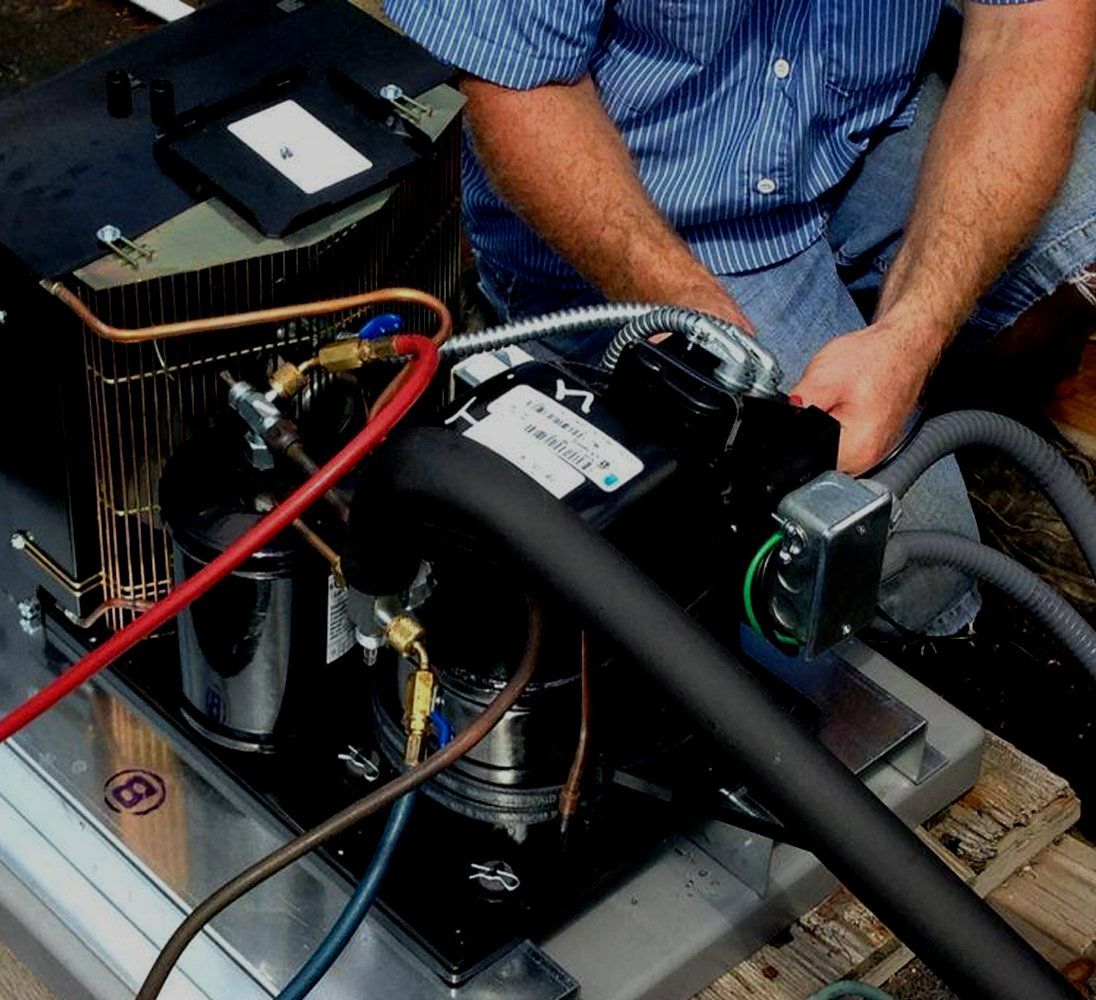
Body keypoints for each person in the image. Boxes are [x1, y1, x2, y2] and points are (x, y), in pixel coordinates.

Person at [386, 0, 1096, 632]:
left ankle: (940, 426)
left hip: (854, 133)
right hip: (652, 215)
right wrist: (703, 332)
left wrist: (912, 336)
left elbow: (1027, 27)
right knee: (916, 569)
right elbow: (521, 85)